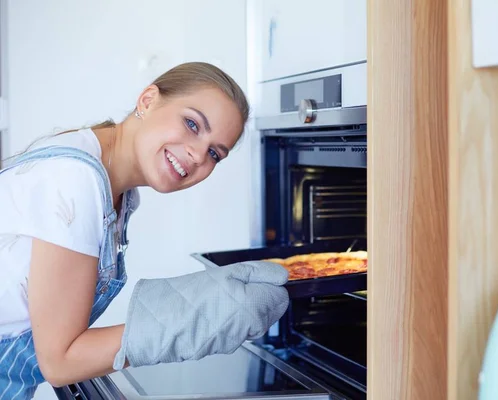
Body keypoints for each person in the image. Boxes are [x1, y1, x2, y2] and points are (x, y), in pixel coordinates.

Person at [0, 62, 290, 399]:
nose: (198, 155)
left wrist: (199, 297)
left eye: (214, 152)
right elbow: (59, 361)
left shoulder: (119, 192)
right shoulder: (76, 180)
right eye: (192, 123)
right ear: (148, 100)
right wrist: (190, 323)